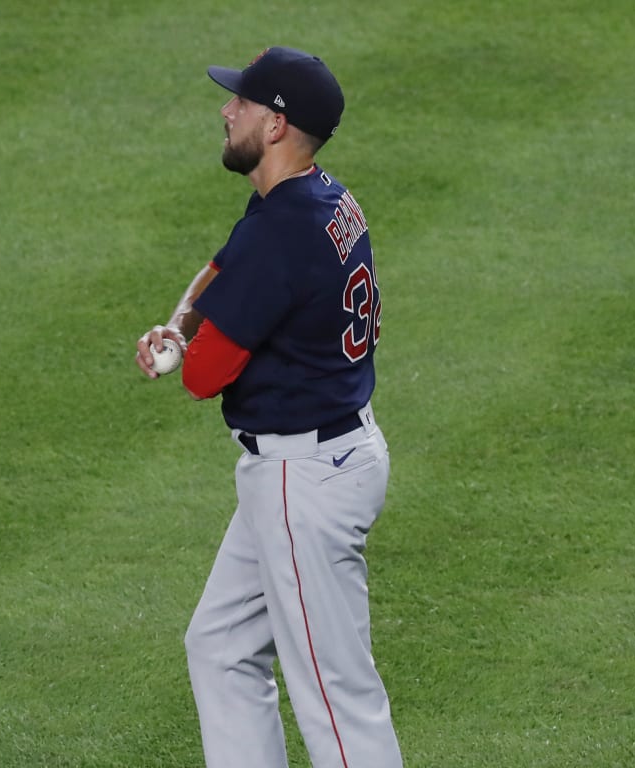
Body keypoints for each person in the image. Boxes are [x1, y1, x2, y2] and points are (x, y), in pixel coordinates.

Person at [134, 47, 402, 768]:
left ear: (277, 125)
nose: (227, 111)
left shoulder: (282, 230)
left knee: (336, 697)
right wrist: (182, 323)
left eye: (243, 103)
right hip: (331, 452)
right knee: (220, 647)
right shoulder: (316, 199)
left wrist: (189, 349)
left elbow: (205, 377)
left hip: (304, 476)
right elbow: (223, 268)